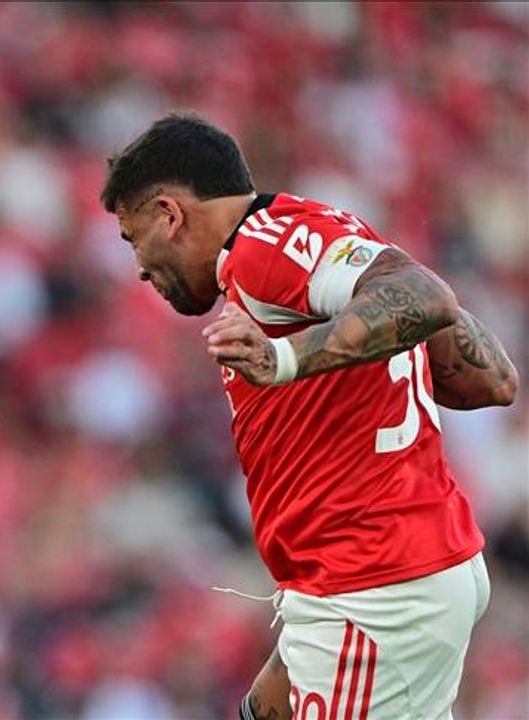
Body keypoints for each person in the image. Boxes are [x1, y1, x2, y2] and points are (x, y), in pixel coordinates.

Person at [101, 112, 518, 720]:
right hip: (376, 575)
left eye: (132, 238)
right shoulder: (316, 236)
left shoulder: (261, 251)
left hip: (374, 584)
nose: (139, 266)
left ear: (169, 214)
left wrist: (285, 358)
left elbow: (427, 297)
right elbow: (492, 380)